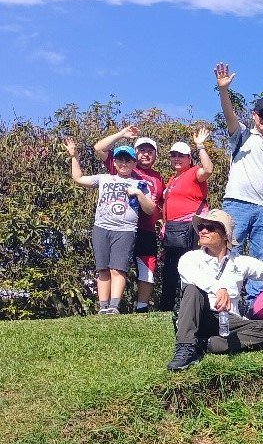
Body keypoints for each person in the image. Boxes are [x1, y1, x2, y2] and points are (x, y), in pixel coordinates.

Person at [167, 210, 263, 371]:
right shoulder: (190, 258)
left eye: (210, 228)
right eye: (201, 227)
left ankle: (206, 344)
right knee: (192, 289)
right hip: (198, 316)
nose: (203, 231)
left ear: (225, 235)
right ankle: (185, 347)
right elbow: (193, 276)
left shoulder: (239, 261)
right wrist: (219, 288)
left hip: (228, 320)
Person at [215, 62, 263, 302]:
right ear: (254, 115)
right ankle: (229, 299)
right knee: (231, 252)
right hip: (237, 203)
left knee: (261, 258)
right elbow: (229, 116)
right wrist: (224, 90)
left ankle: (255, 305)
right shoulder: (242, 135)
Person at [66, 139, 156, 315]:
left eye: (128, 160)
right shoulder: (104, 178)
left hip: (125, 230)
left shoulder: (140, 183)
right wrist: (74, 156)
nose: (123, 163)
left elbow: (150, 208)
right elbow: (78, 178)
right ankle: (103, 307)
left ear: (134, 163)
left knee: (118, 268)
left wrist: (138, 194)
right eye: (120, 160)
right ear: (114, 162)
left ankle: (114, 306)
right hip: (101, 227)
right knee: (103, 269)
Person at [93, 126, 166, 312]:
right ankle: (107, 307)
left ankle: (141, 308)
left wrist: (163, 224)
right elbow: (99, 148)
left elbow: (161, 204)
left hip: (146, 230)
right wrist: (121, 134)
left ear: (156, 155)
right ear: (135, 155)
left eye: (150, 151)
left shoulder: (158, 178)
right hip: (119, 227)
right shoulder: (123, 165)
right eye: (142, 151)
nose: (145, 155)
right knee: (113, 268)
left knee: (147, 268)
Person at [161, 128, 214, 311]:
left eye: (181, 155)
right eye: (173, 155)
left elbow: (208, 169)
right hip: (173, 230)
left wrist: (200, 145)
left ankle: (194, 305)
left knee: (191, 266)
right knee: (171, 268)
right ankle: (167, 306)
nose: (177, 158)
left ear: (189, 158)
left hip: (191, 228)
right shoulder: (171, 180)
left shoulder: (193, 173)